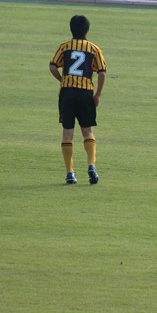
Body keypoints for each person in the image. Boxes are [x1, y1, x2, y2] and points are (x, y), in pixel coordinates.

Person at [49, 15, 106, 185]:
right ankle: (91, 165)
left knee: (67, 132)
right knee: (87, 131)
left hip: (67, 93)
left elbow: (52, 66)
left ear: (71, 29)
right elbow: (102, 72)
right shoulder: (94, 49)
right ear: (87, 30)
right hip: (85, 93)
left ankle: (70, 173)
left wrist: (62, 80)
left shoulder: (65, 46)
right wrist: (98, 94)